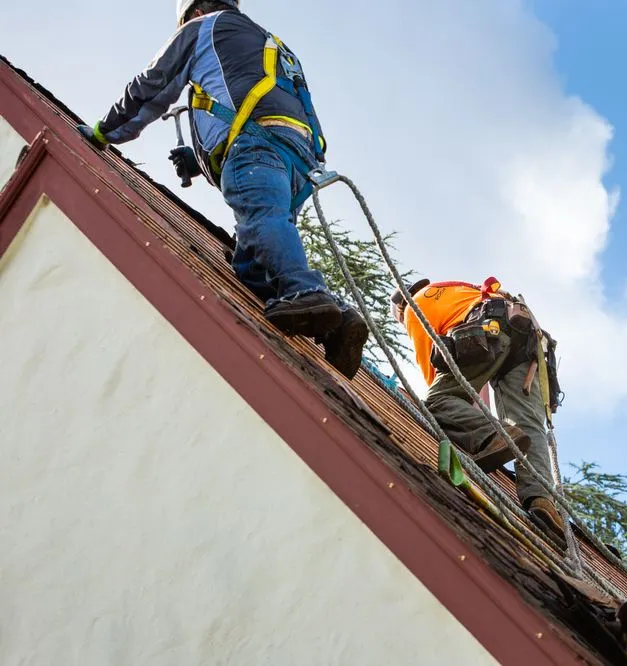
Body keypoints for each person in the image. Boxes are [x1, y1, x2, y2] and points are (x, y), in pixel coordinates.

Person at [76, 0, 368, 378]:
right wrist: (198, 161)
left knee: (261, 221)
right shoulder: (267, 42)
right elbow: (247, 96)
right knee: (251, 268)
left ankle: (304, 291)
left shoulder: (202, 28)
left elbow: (152, 85)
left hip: (255, 147)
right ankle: (338, 323)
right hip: (297, 158)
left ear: (193, 12)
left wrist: (104, 132)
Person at [391, 277, 568, 548]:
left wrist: (469, 424)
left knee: (438, 402)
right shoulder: (458, 291)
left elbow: (437, 378)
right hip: (527, 340)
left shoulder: (414, 308)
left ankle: (495, 435)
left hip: (488, 330)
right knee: (530, 425)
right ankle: (541, 499)